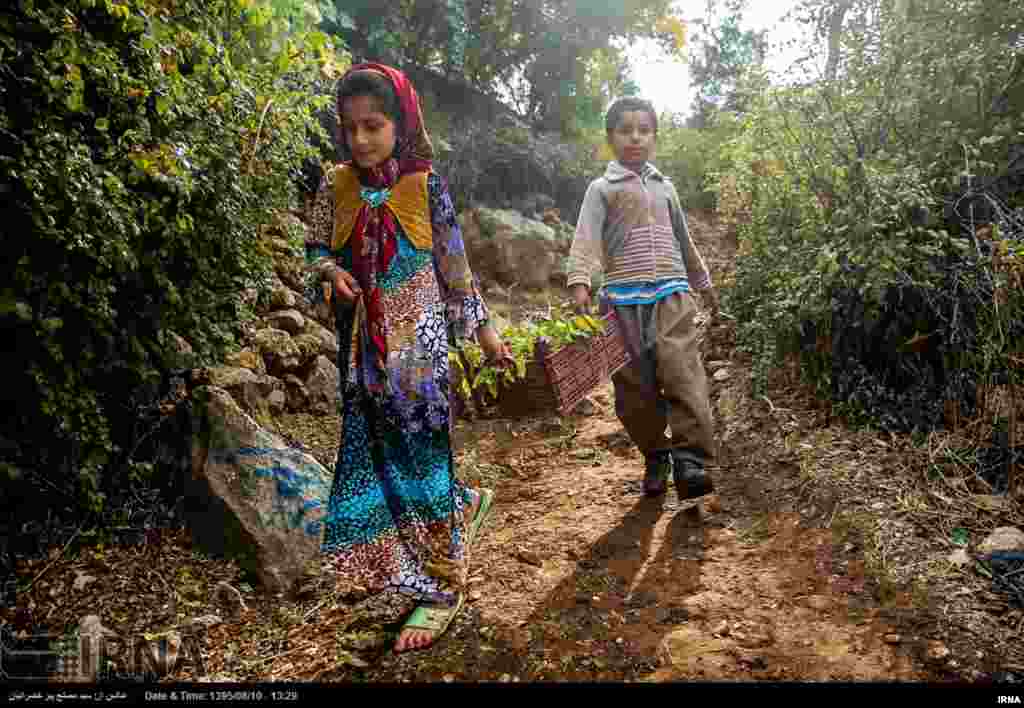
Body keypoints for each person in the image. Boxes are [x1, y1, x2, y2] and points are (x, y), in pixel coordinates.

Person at [302, 63, 511, 654]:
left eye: (374, 125)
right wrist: (330, 270)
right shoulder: (335, 185)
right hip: (363, 348)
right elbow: (317, 247)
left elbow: (454, 269)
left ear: (402, 121)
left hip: (418, 351)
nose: (361, 139)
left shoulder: (426, 186)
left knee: (419, 453)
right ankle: (449, 518)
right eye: (351, 128)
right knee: (376, 450)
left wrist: (486, 332)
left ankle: (443, 588)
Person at [566, 96, 720, 502]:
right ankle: (656, 454)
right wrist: (580, 281)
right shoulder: (602, 189)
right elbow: (586, 237)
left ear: (654, 136)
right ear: (610, 138)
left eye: (644, 130)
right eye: (625, 130)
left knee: (682, 371)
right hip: (621, 300)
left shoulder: (665, 187)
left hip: (671, 294)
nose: (635, 137)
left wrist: (701, 280)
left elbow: (683, 240)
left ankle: (691, 460)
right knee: (635, 391)